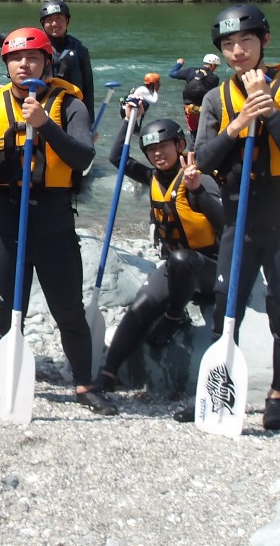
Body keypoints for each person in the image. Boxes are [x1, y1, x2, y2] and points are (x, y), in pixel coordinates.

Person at [0, 27, 116, 414]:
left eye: (32, 58)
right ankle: (2, 379)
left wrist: (45, 123)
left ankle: (83, 384)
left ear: (48, 62)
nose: (23, 64)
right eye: (15, 59)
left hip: (53, 218)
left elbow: (83, 159)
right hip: (6, 217)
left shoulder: (70, 105)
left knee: (68, 310)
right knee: (5, 308)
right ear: (5, 66)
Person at [194, 4, 280, 431]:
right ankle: (215, 389)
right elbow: (207, 159)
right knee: (224, 305)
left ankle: (278, 397)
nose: (237, 52)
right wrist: (238, 124)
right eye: (228, 45)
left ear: (264, 41)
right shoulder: (215, 98)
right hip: (239, 218)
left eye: (245, 41)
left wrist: (269, 112)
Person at [92, 118, 223, 393]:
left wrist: (197, 188)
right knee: (138, 310)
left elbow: (225, 224)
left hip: (211, 267)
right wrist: (129, 119)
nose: (158, 154)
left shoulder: (200, 179)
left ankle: (174, 317)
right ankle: (108, 373)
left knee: (180, 260)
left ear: (180, 145)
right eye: (151, 150)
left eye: (164, 146)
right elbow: (117, 156)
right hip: (178, 270)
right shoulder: (152, 177)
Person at [0, 0, 95, 119]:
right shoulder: (31, 44)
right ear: (43, 24)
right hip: (39, 101)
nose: (55, 24)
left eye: (59, 19)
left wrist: (89, 121)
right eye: (49, 20)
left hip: (70, 105)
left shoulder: (79, 49)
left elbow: (88, 87)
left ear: (67, 21)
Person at [170, 53, 222, 143]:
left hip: (189, 108)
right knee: (206, 133)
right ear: (213, 65)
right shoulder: (214, 78)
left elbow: (172, 74)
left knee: (193, 134)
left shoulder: (191, 70)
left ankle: (193, 152)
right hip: (203, 109)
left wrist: (179, 64)